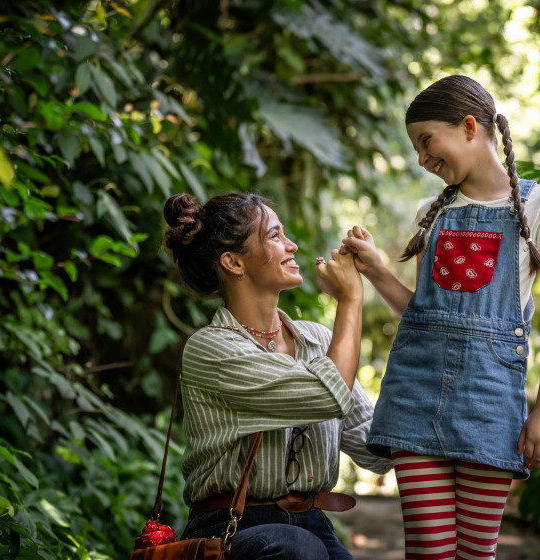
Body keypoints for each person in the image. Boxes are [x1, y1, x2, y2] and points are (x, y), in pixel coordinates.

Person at [340, 75, 540, 559]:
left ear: (469, 126)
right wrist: (377, 271)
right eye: (416, 149)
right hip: (413, 394)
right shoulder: (432, 212)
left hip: (489, 406)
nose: (422, 159)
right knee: (429, 549)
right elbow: (424, 313)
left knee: (474, 552)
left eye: (426, 142)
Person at [162, 191, 392, 560]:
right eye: (274, 235)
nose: (292, 245)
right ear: (233, 262)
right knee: (298, 548)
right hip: (230, 528)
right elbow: (327, 394)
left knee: (309, 546)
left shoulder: (319, 341)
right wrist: (350, 300)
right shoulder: (211, 348)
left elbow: (374, 447)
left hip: (313, 525)